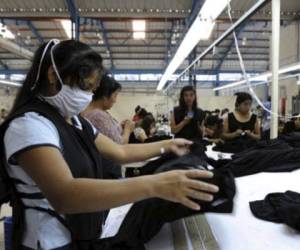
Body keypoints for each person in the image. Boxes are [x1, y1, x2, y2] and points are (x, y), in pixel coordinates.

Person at [0, 39, 218, 250]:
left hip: (82, 234)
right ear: (52, 76)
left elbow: (119, 151)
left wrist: (168, 145)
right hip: (50, 242)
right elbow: (65, 194)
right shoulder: (29, 126)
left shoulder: (74, 120)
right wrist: (155, 184)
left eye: (92, 90)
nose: (88, 96)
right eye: (86, 87)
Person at [82, 74, 134, 144]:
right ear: (105, 96)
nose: (115, 100)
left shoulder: (94, 111)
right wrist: (127, 129)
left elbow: (107, 132)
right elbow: (120, 144)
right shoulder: (98, 116)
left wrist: (119, 127)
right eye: (115, 96)